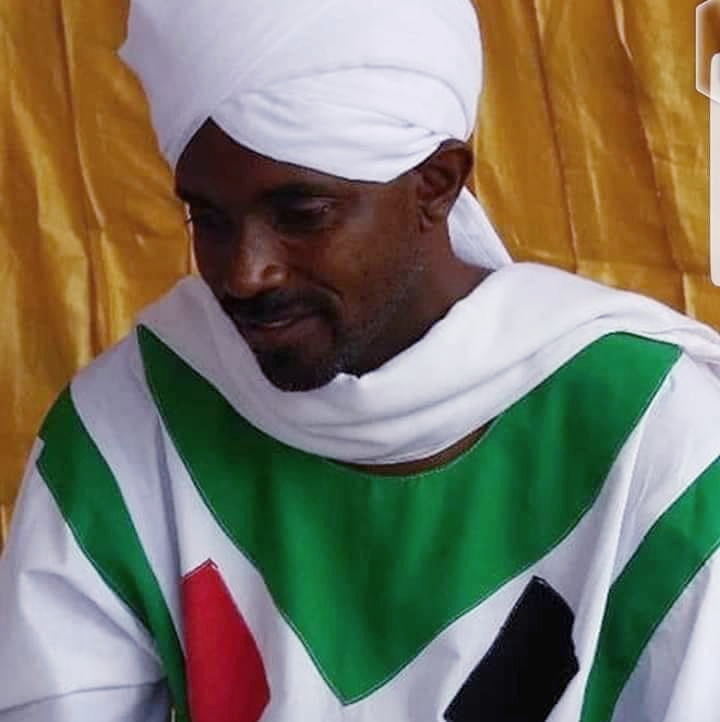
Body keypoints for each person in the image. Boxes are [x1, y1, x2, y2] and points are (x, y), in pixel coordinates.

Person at [2, 1, 720, 720]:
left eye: (302, 215)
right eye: (210, 220)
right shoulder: (131, 418)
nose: (247, 273)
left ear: (436, 184)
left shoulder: (659, 432)